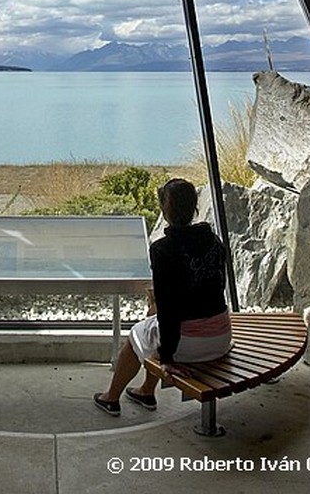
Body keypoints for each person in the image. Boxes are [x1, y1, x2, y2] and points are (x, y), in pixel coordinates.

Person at [94, 177, 232, 417]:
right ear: (194, 207)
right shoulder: (214, 241)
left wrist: (167, 358)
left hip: (187, 346)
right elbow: (214, 289)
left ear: (164, 209)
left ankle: (111, 397)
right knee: (153, 321)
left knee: (137, 333)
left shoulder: (163, 249)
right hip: (221, 338)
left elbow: (168, 310)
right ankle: (147, 390)